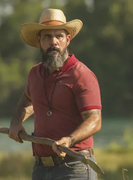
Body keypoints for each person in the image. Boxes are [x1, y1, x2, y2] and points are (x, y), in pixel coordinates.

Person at [8, 8, 102, 180]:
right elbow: (27, 103)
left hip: (75, 167)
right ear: (39, 41)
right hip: (41, 169)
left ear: (67, 39)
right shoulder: (34, 74)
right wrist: (16, 123)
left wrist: (70, 140)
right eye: (47, 37)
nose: (54, 42)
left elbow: (94, 120)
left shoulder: (81, 75)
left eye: (59, 36)